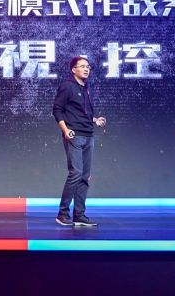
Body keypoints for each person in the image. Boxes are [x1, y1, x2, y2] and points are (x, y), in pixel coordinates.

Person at [52, 56, 106, 227]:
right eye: (82, 66)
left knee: (84, 176)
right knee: (75, 173)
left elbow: (82, 113)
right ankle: (62, 214)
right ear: (73, 69)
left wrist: (95, 120)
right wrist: (65, 130)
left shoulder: (87, 88)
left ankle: (79, 215)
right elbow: (57, 110)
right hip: (74, 135)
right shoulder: (67, 86)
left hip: (89, 135)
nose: (86, 69)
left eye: (88, 66)